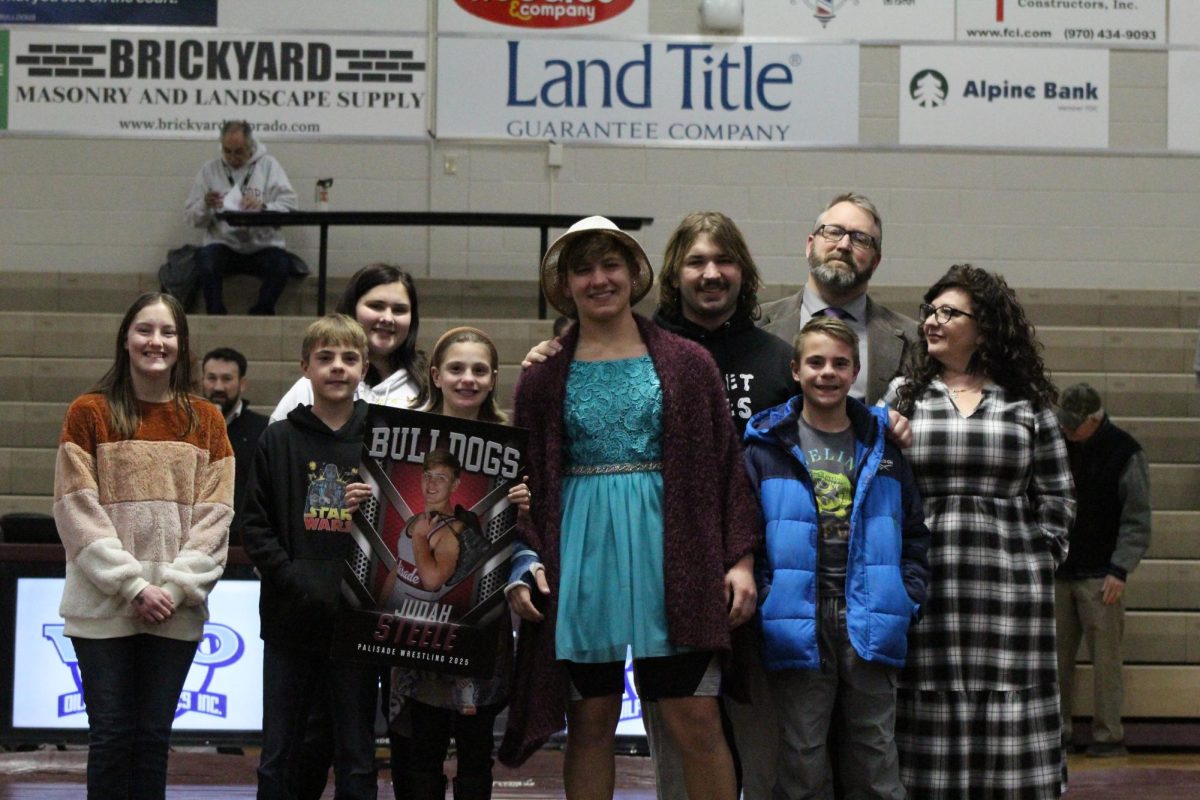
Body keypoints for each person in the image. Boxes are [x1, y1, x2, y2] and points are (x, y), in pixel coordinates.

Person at [499, 216, 761, 800]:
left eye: (610, 265)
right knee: (591, 724)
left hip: (674, 557)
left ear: (633, 273)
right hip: (580, 557)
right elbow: (524, 480)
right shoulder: (542, 376)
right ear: (566, 283)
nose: (599, 279)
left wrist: (740, 558)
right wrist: (524, 559)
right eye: (584, 269)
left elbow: (725, 468)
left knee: (694, 718)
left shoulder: (688, 363)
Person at [886, 264, 1076, 799]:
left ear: (985, 326)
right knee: (926, 707)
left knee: (1009, 714)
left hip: (1010, 595)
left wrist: (1037, 559)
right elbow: (879, 485)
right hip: (927, 587)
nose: (933, 321)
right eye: (930, 311)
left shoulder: (1027, 401)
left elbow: (1058, 496)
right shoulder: (903, 394)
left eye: (949, 312)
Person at [52, 292, 234, 799]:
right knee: (111, 737)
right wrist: (133, 586)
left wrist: (173, 590)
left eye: (168, 332)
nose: (156, 341)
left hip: (174, 610)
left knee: (153, 739)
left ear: (182, 343)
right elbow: (74, 508)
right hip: (103, 605)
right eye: (145, 330)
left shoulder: (207, 421)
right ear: (126, 339)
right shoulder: (88, 412)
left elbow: (216, 517)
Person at [743, 316, 930, 800]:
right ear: (796, 369)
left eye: (840, 363)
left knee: (875, 750)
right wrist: (768, 596)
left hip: (871, 612)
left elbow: (913, 532)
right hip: (796, 616)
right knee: (802, 753)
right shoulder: (766, 448)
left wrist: (906, 594)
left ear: (856, 371)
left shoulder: (884, 446)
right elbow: (748, 534)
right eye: (816, 362)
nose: (828, 372)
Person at [389, 326, 531, 800]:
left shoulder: (512, 445)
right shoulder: (400, 439)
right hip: (414, 625)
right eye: (456, 368)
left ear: (493, 378)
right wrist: (361, 499)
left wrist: (526, 505)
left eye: (478, 370)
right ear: (435, 375)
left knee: (475, 751)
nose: (467, 378)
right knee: (418, 749)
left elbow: (529, 534)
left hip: (480, 626)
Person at [241, 314, 380, 800]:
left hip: (358, 623)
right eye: (325, 358)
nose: (337, 368)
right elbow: (254, 525)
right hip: (290, 620)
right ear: (305, 367)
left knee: (358, 757)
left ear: (365, 368)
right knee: (280, 753)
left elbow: (404, 525)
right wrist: (293, 577)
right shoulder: (278, 438)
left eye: (348, 358)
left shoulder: (383, 441)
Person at [1054, 383, 1151, 758]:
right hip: (1060, 570)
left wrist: (1120, 568)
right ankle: (1056, 732)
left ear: (1095, 420)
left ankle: (1109, 736)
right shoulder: (1058, 443)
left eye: (1074, 425)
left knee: (1107, 663)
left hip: (1102, 576)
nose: (1067, 430)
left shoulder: (1126, 452)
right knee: (1055, 661)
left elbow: (1137, 520)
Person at [758, 192, 917, 406]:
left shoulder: (914, 339)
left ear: (876, 261)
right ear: (810, 245)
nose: (843, 245)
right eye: (833, 232)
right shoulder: (757, 324)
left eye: (860, 239)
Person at [272, 262, 426, 422]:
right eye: (376, 306)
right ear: (352, 308)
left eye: (399, 310)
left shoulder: (429, 388)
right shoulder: (311, 386)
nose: (388, 318)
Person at [183, 120, 299, 315]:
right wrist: (205, 204)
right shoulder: (210, 170)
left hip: (262, 245)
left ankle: (262, 311)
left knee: (281, 264)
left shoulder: (268, 166)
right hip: (223, 244)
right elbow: (191, 218)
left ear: (251, 147)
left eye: (239, 151)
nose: (232, 157)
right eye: (227, 151)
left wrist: (264, 207)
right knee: (205, 259)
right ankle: (216, 313)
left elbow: (290, 205)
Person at [201, 346, 270, 544]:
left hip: (244, 544)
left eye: (227, 379)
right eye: (212, 378)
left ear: (242, 384)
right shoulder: (186, 428)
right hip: (195, 542)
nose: (218, 387)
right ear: (203, 380)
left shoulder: (263, 429)